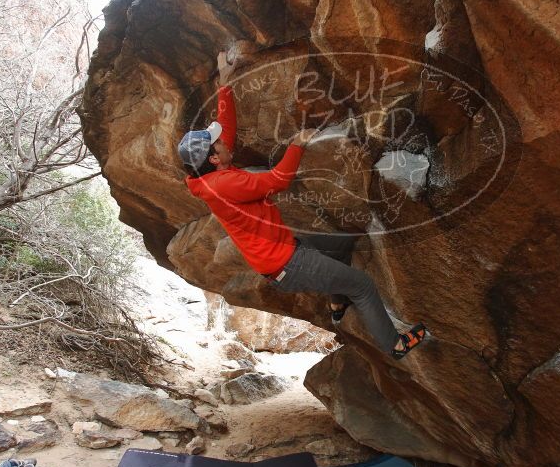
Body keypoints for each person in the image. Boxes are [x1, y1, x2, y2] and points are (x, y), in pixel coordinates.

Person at [178, 84, 428, 359]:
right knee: (363, 285)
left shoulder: (205, 174)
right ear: (214, 158)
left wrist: (224, 86)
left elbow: (225, 128)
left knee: (343, 243)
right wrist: (298, 144)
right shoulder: (225, 183)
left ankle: (337, 302)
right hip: (290, 264)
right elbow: (278, 180)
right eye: (219, 143)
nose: (225, 141)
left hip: (286, 252)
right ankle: (395, 345)